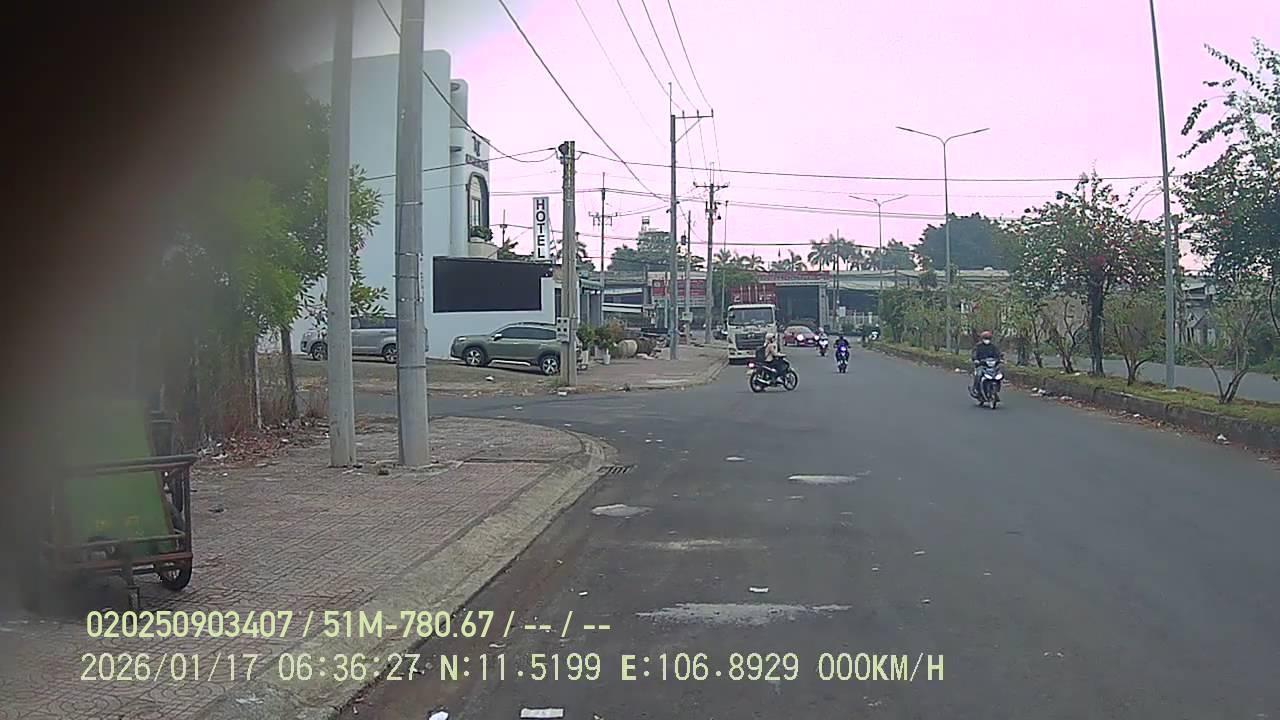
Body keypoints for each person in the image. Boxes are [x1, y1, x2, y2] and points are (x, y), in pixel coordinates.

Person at [971, 330, 1003, 395]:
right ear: (982, 339)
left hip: (992, 366)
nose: (987, 340)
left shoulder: (993, 347)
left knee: (998, 374)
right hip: (981, 365)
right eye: (985, 338)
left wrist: (1000, 359)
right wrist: (976, 360)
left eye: (988, 338)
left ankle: (997, 387)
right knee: (979, 374)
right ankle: (975, 388)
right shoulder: (978, 346)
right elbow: (974, 354)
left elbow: (997, 354)